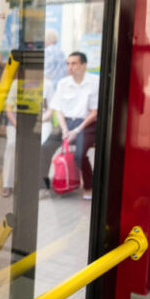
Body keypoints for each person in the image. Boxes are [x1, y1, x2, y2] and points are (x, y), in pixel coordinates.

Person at [39, 51, 98, 200]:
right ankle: (43, 187)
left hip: (86, 123)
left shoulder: (94, 82)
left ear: (84, 65)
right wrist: (65, 128)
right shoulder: (63, 83)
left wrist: (76, 130)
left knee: (80, 154)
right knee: (45, 149)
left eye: (74, 64)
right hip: (65, 122)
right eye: (68, 64)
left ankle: (89, 187)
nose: (70, 67)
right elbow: (58, 109)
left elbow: (94, 112)